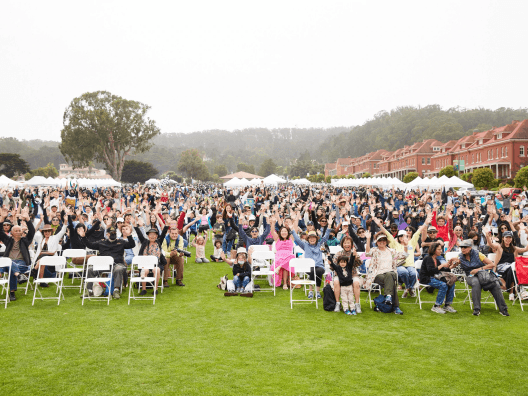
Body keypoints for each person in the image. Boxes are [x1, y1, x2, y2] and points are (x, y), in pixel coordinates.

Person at [373, 214, 430, 298]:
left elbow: (418, 231)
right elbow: (387, 233)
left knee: (414, 273)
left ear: (407, 236)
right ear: (398, 237)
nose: (402, 237)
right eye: (400, 236)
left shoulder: (412, 242)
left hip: (410, 265)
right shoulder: (395, 244)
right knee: (404, 272)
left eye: (404, 236)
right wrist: (380, 225)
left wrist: (426, 223)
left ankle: (408, 289)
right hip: (399, 265)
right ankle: (409, 288)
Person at [78, 225, 136, 299]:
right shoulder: (101, 242)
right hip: (103, 265)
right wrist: (83, 237)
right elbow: (90, 245)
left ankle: (116, 290)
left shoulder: (121, 242)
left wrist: (129, 235)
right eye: (111, 233)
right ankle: (89, 290)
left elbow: (132, 245)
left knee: (118, 269)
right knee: (90, 270)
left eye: (114, 233)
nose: (113, 234)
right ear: (107, 234)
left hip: (117, 264)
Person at [456, 239, 510, 316]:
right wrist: (454, 263)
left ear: (470, 247)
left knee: (495, 283)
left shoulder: (478, 254)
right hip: (470, 276)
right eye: (461, 247)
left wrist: (478, 270)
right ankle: (477, 309)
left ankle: (503, 309)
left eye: (465, 247)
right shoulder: (460, 256)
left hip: (482, 274)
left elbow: (492, 264)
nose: (463, 249)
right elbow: (452, 265)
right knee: (476, 283)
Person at [291, 212, 333, 299]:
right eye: (310, 238)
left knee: (318, 271)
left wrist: (329, 226)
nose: (312, 239)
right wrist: (292, 230)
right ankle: (313, 291)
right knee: (313, 271)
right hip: (308, 267)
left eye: (314, 237)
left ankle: (314, 291)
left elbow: (325, 237)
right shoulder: (305, 245)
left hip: (319, 266)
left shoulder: (319, 244)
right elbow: (298, 240)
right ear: (308, 239)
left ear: (316, 239)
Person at [364, 231, 408, 315]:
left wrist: (405, 245)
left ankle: (388, 297)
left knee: (389, 274)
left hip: (391, 273)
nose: (382, 242)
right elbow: (367, 253)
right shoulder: (375, 250)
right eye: (380, 240)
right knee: (391, 281)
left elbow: (404, 255)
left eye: (384, 240)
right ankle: (395, 306)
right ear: (377, 242)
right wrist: (368, 239)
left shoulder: (392, 251)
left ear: (387, 242)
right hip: (378, 274)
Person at [0, 207, 35, 301]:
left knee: (11, 266)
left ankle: (12, 292)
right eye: (16, 230)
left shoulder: (25, 241)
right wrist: (2, 219)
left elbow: (32, 232)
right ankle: (17, 275)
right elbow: (0, 232)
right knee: (11, 267)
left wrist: (27, 219)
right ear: (11, 233)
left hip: (22, 264)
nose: (18, 232)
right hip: (9, 263)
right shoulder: (8, 240)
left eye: (20, 230)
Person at [486, 230, 528, 301]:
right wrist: (487, 236)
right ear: (503, 238)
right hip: (501, 267)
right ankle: (519, 290)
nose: (508, 239)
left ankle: (513, 292)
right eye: (506, 237)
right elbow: (491, 244)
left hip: (511, 268)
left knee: (514, 269)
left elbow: (525, 249)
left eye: (510, 237)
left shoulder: (514, 248)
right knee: (513, 268)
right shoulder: (499, 247)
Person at [419, 242, 458, 314]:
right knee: (443, 285)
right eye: (439, 249)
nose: (441, 251)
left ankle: (447, 305)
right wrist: (442, 265)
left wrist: (451, 266)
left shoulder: (436, 260)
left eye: (441, 249)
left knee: (451, 283)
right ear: (434, 250)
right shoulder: (428, 258)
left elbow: (442, 270)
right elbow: (430, 271)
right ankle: (436, 306)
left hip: (435, 277)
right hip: (427, 278)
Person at [135, 226, 169, 295]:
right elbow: (139, 234)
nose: (152, 236)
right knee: (144, 270)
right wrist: (135, 225)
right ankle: (144, 289)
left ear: (156, 236)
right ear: (148, 236)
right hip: (145, 264)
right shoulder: (144, 242)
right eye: (150, 234)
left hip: (156, 264)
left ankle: (155, 289)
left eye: (154, 234)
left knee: (157, 270)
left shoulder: (158, 242)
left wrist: (167, 225)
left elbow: (163, 234)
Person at [269, 214, 295, 289]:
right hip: (279, 256)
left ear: (288, 232)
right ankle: (284, 283)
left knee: (291, 257)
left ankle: (285, 283)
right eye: (282, 231)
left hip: (289, 256)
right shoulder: (277, 239)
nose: (284, 232)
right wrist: (273, 223)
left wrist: (293, 222)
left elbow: (294, 230)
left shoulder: (291, 238)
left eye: (285, 231)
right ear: (280, 232)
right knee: (285, 264)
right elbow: (272, 231)